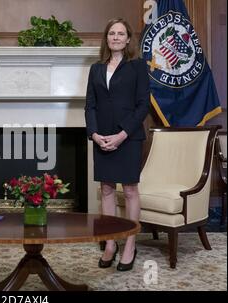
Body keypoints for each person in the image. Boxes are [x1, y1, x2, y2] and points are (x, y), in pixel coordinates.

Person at [85, 18, 150, 271]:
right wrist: (94, 134)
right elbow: (90, 104)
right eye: (111, 33)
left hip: (129, 137)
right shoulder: (96, 69)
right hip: (102, 137)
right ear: (106, 38)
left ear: (128, 38)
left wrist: (123, 134)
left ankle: (130, 244)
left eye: (120, 33)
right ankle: (110, 243)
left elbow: (143, 105)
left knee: (130, 190)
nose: (115, 37)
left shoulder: (138, 67)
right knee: (107, 190)